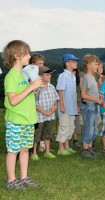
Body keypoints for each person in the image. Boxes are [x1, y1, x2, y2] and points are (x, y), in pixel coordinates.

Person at [2, 40, 42, 189]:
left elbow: (28, 95)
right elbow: (13, 101)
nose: (29, 56)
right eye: (26, 53)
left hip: (28, 119)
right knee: (13, 151)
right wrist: (31, 87)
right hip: (16, 120)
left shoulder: (25, 74)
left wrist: (34, 89)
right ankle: (11, 180)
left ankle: (23, 177)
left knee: (25, 149)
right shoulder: (11, 76)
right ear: (17, 55)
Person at [31, 66, 59, 160]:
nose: (50, 76)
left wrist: (53, 109)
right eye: (47, 74)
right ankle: (34, 152)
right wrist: (45, 112)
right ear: (40, 76)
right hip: (39, 117)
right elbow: (34, 104)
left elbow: (55, 102)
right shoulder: (37, 88)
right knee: (37, 134)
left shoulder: (52, 87)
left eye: (50, 74)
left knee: (48, 134)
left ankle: (47, 151)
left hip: (49, 116)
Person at [80, 54, 103, 158]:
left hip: (94, 106)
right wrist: (97, 99)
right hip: (88, 106)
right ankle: (85, 150)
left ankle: (90, 149)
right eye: (95, 64)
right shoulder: (86, 78)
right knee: (88, 129)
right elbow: (83, 95)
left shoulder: (93, 77)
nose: (97, 66)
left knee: (93, 129)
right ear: (88, 65)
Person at [56, 54, 79, 155]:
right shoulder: (63, 76)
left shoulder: (73, 76)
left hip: (72, 107)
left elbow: (73, 93)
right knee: (64, 126)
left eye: (75, 61)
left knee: (70, 127)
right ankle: (60, 148)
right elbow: (60, 92)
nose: (76, 63)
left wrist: (76, 106)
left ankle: (67, 146)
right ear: (67, 63)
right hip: (64, 107)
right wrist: (61, 105)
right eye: (73, 61)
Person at [29, 53, 46, 152]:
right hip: (30, 106)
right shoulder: (29, 75)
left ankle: (36, 147)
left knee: (37, 126)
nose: (41, 66)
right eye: (39, 64)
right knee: (33, 127)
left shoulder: (40, 75)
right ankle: (30, 148)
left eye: (42, 63)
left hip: (38, 105)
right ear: (32, 64)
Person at [72, 67, 83, 149]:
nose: (73, 73)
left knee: (78, 123)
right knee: (71, 124)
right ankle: (73, 140)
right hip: (70, 104)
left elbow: (82, 93)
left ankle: (78, 140)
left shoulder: (79, 81)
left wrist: (78, 101)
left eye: (74, 71)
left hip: (78, 104)